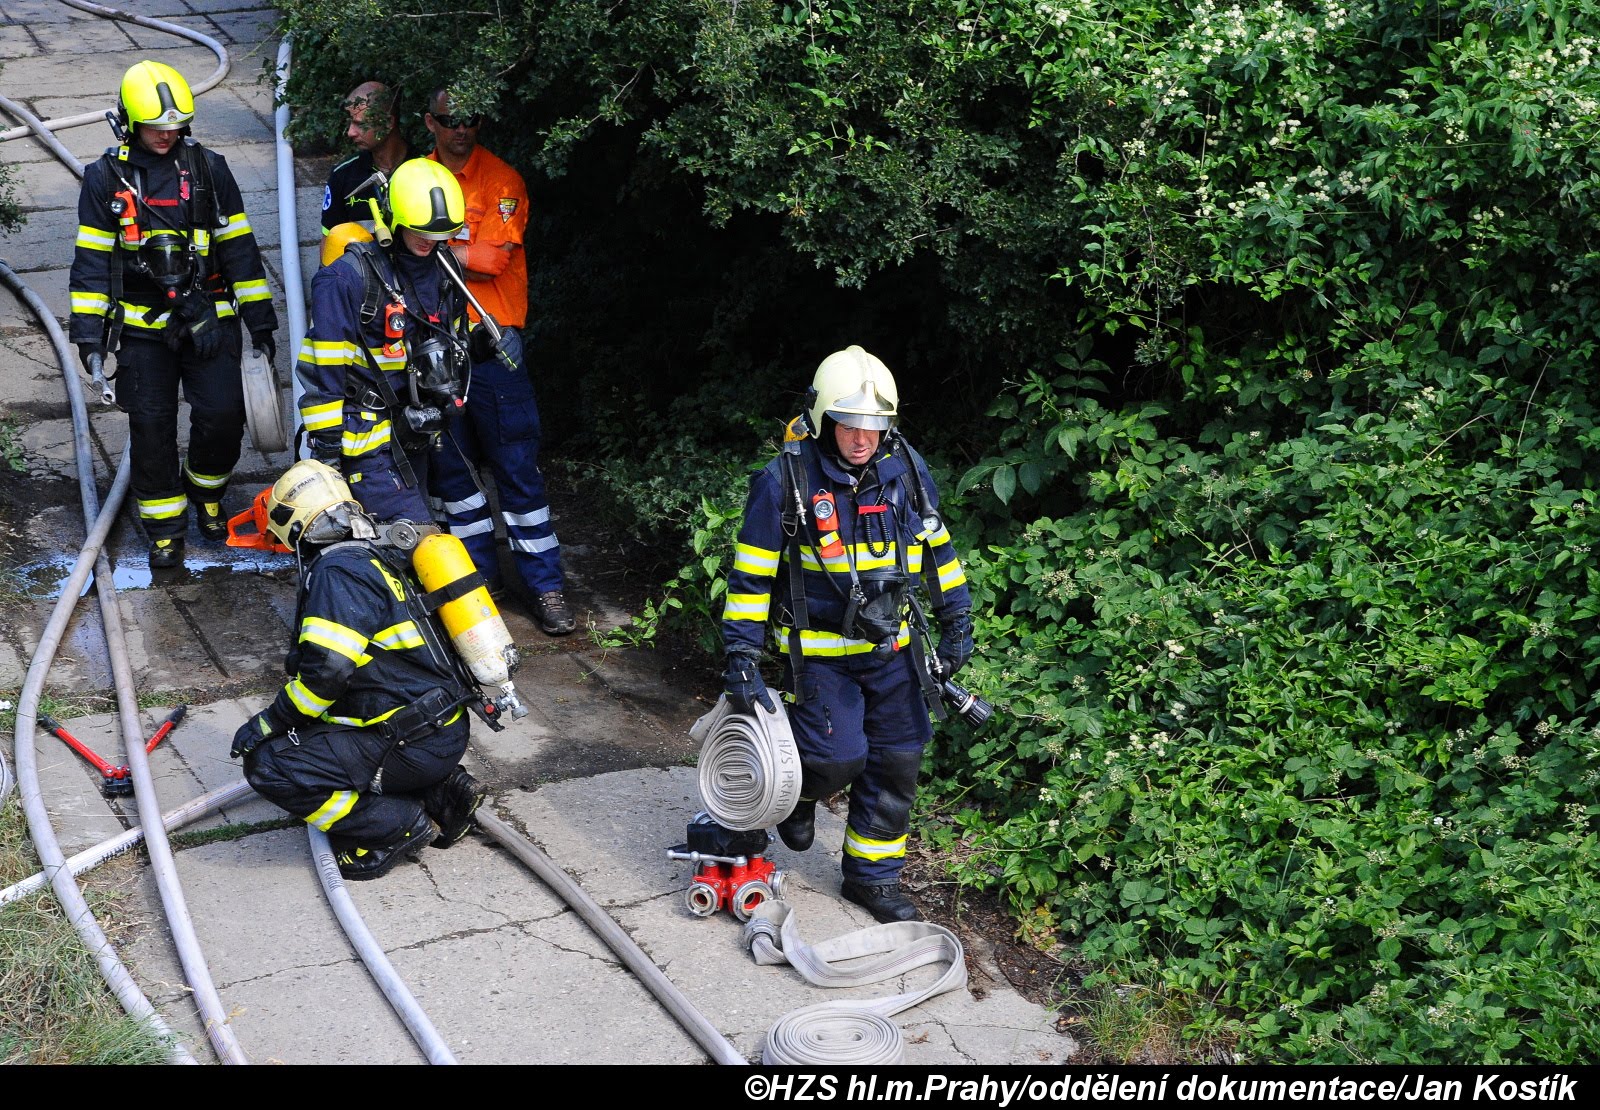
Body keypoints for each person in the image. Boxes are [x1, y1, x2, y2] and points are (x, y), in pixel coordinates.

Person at [720, 347, 975, 923]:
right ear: (820, 419)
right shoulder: (784, 480)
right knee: (837, 759)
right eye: (849, 424)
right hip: (822, 655)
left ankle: (871, 878)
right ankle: (802, 793)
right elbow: (753, 572)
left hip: (894, 650)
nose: (862, 438)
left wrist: (956, 618)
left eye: (874, 426)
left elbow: (938, 551)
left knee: (898, 760)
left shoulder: (904, 468)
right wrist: (740, 652)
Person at [230, 459, 488, 880]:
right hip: (441, 729)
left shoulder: (337, 572)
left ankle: (394, 826)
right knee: (319, 732)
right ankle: (446, 795)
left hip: (412, 743)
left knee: (270, 766)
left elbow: (326, 673)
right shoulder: (375, 556)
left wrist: (270, 722)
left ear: (295, 528)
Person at [69, 60, 278, 568]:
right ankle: (165, 528)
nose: (166, 136)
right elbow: (92, 262)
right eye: (154, 127)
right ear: (127, 122)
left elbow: (238, 251)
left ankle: (206, 492)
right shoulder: (105, 180)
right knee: (152, 426)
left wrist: (260, 323)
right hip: (143, 330)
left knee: (224, 415)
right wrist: (90, 341)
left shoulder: (209, 169)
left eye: (174, 127)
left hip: (209, 319)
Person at [423, 88, 575, 636]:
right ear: (430, 123)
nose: (461, 130)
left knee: (518, 474)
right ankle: (477, 593)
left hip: (495, 348)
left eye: (470, 120)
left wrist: (427, 243)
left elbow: (490, 259)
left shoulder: (501, 181)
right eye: (449, 121)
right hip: (436, 349)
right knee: (455, 479)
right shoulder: (416, 177)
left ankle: (546, 588)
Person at [297, 157, 471, 524]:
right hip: (366, 442)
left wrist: (486, 347)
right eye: (420, 230)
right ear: (393, 218)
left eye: (441, 234)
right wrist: (328, 451)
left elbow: (452, 344)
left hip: (419, 430)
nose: (431, 241)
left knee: (438, 529)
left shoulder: (445, 270)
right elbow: (323, 372)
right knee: (416, 541)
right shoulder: (347, 280)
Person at [320, 81, 409, 240]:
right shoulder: (342, 176)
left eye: (359, 124)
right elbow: (330, 243)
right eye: (350, 122)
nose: (350, 132)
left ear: (387, 123)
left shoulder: (425, 167)